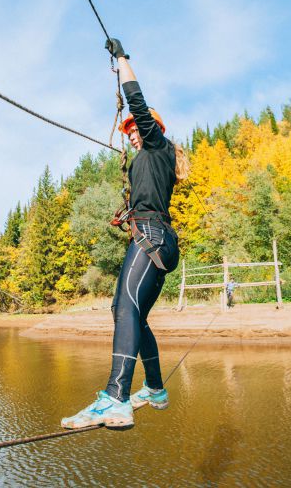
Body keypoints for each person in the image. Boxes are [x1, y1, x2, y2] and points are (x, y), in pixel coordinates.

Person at [60, 38, 188, 431]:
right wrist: (128, 216)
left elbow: (136, 97)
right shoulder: (151, 159)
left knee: (123, 309)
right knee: (138, 316)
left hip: (151, 236)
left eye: (136, 127)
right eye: (129, 130)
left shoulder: (157, 144)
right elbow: (148, 198)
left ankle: (116, 398)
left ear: (151, 128)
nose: (131, 133)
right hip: (158, 236)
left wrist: (121, 59)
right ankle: (154, 388)